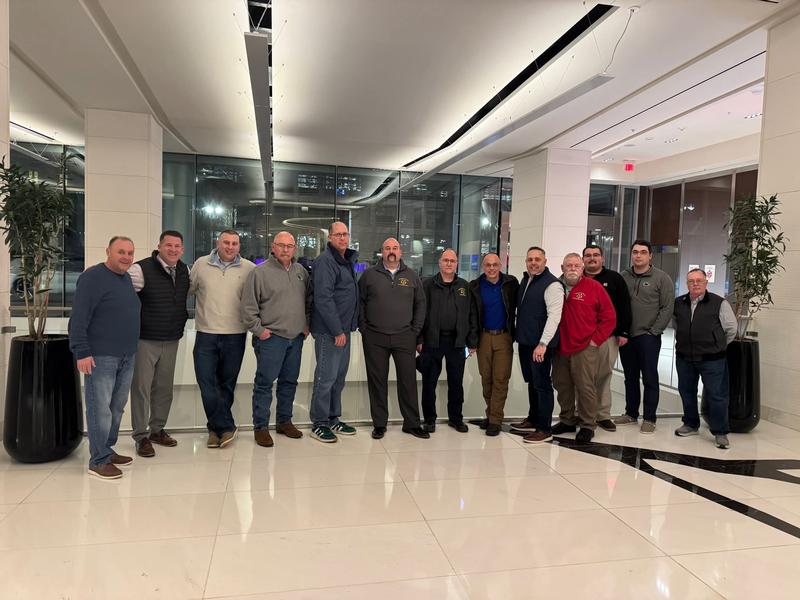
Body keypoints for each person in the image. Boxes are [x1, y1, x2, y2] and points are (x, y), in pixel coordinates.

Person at [69, 236, 140, 479]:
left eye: (130, 253)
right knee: (100, 409)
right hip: (101, 356)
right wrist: (81, 351)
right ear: (108, 251)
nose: (126, 257)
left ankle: (107, 450)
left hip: (126, 355)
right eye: (121, 252)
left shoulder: (125, 278)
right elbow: (79, 317)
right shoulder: (92, 277)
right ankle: (98, 461)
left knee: (116, 408)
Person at [241, 231, 310, 447]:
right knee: (264, 384)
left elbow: (308, 301)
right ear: (273, 247)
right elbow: (248, 307)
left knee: (289, 382)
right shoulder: (259, 272)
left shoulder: (301, 272)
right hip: (271, 339)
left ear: (295, 248)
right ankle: (261, 427)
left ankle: (284, 421)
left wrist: (306, 325)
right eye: (281, 245)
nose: (285, 250)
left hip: (295, 338)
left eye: (289, 246)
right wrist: (259, 331)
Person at [127, 230, 190, 458]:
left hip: (171, 338)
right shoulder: (140, 269)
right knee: (141, 389)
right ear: (159, 246)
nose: (173, 249)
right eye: (168, 245)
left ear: (182, 249)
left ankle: (157, 430)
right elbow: (122, 296)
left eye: (177, 246)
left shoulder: (184, 270)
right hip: (145, 339)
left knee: (164, 388)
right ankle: (140, 436)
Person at [190, 229, 255, 449]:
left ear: (239, 246)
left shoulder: (249, 268)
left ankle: (214, 430)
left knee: (227, 385)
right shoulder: (201, 265)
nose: (230, 247)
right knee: (207, 383)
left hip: (236, 335)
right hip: (206, 334)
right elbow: (187, 291)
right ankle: (226, 426)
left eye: (234, 243)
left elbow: (256, 298)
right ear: (218, 243)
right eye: (226, 242)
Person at [359, 237, 428, 439]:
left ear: (400, 252)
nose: (391, 251)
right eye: (387, 248)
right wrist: (364, 328)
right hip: (375, 337)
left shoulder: (412, 276)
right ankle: (379, 424)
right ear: (382, 252)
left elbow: (421, 304)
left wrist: (415, 330)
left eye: (395, 248)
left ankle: (412, 424)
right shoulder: (369, 275)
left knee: (408, 381)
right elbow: (360, 302)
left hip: (405, 337)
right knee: (377, 382)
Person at [551, 253, 616, 442]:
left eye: (576, 265)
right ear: (562, 268)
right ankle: (567, 420)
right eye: (568, 265)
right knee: (562, 385)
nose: (572, 268)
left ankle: (588, 424)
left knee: (585, 386)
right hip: (560, 347)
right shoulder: (555, 287)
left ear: (582, 269)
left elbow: (609, 317)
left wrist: (595, 341)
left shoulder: (593, 287)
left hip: (584, 347)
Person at [614, 239, 675, 434]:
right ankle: (631, 413)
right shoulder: (623, 276)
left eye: (642, 252)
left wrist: (654, 331)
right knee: (630, 377)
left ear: (650, 256)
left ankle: (649, 418)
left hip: (648, 337)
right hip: (626, 337)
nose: (638, 255)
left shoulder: (662, 278)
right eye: (635, 252)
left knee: (649, 378)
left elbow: (667, 307)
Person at [673, 268, 737, 449]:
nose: (695, 284)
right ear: (687, 284)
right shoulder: (679, 303)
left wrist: (717, 345)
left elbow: (731, 329)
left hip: (712, 359)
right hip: (685, 357)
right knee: (687, 391)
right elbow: (676, 325)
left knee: (717, 395)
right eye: (691, 281)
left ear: (706, 282)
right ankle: (691, 423)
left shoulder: (719, 303)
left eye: (699, 280)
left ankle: (720, 432)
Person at [308, 221, 360, 443]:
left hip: (343, 331)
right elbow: (324, 299)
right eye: (338, 234)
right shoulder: (325, 261)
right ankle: (319, 423)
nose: (342, 238)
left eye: (345, 234)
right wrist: (337, 330)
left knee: (338, 378)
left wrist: (347, 329)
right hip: (330, 332)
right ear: (329, 237)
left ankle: (332, 418)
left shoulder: (345, 260)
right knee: (325, 378)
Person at [417, 248, 478, 433]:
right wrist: (419, 338)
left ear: (457, 264)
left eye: (452, 261)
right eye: (446, 260)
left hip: (457, 342)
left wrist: (472, 341)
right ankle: (429, 420)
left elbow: (472, 315)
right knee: (429, 383)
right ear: (440, 263)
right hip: (432, 341)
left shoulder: (464, 287)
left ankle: (456, 419)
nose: (449, 263)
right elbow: (419, 313)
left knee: (456, 383)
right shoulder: (427, 285)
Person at [512, 247, 563, 444]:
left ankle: (544, 429)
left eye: (537, 259)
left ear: (545, 261)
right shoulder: (527, 280)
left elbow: (554, 317)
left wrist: (543, 344)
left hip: (540, 345)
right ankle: (533, 419)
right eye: (530, 259)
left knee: (542, 385)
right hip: (526, 342)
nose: (533, 262)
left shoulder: (552, 285)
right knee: (532, 382)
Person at [467, 253, 519, 436]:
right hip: (483, 337)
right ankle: (490, 414)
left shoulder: (511, 283)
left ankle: (496, 420)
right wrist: (472, 340)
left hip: (503, 337)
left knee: (500, 379)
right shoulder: (474, 286)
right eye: (488, 265)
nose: (491, 268)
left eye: (495, 264)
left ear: (500, 265)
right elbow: (471, 315)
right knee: (486, 378)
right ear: (483, 267)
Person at [582, 245, 632, 432]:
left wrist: (623, 332)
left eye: (596, 255)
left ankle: (602, 415)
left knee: (603, 375)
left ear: (602, 258)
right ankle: (583, 414)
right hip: (581, 339)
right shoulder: (578, 279)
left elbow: (624, 306)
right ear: (583, 259)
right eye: (588, 255)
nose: (592, 258)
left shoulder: (614, 279)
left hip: (607, 337)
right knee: (582, 377)